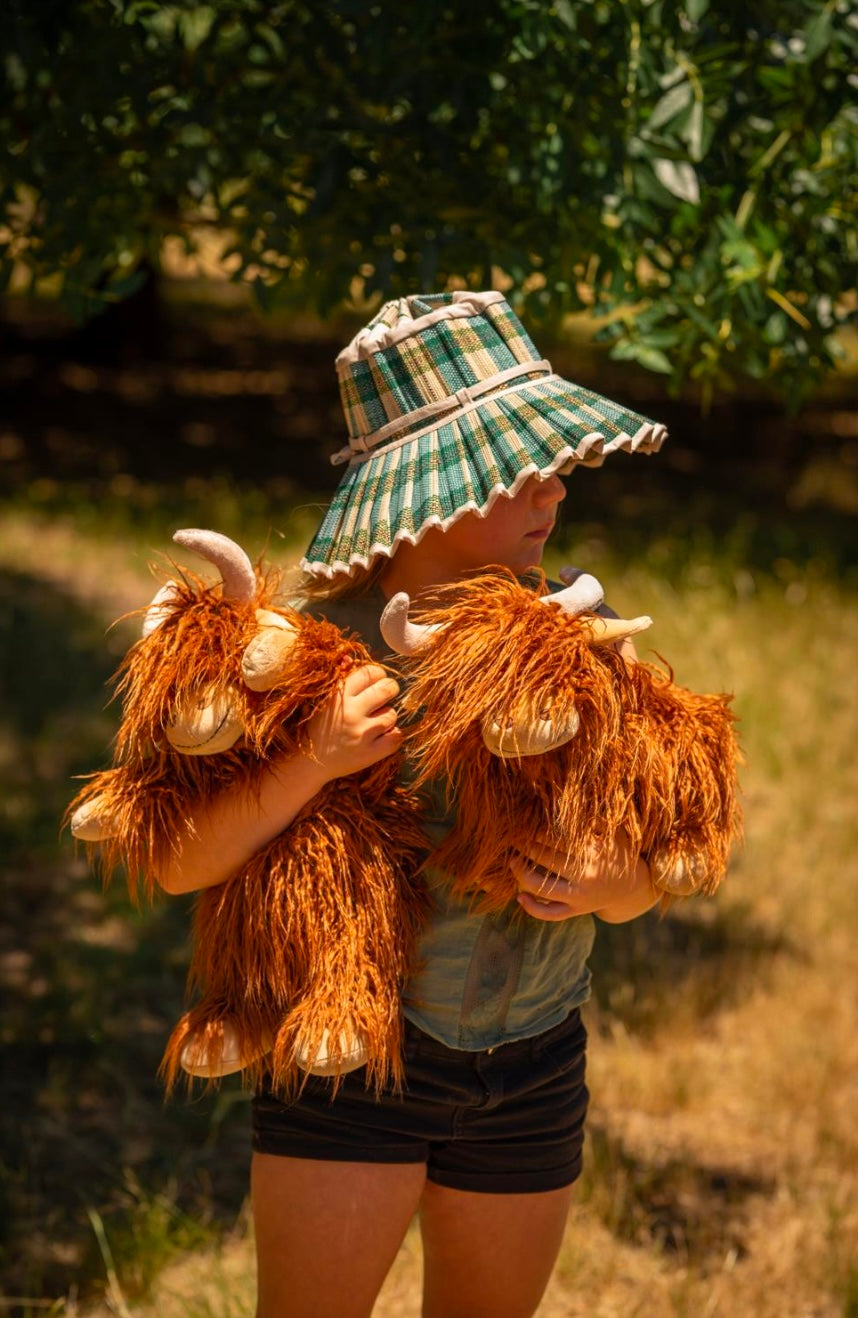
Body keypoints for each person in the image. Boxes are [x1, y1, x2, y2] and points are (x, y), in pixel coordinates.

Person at [156, 291, 668, 1318]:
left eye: (556, 461)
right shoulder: (297, 650)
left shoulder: (577, 624)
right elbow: (177, 860)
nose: (556, 490)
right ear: (436, 488)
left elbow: (659, 850)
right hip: (348, 1064)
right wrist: (314, 759)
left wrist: (620, 886)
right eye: (524, 467)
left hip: (535, 1062)